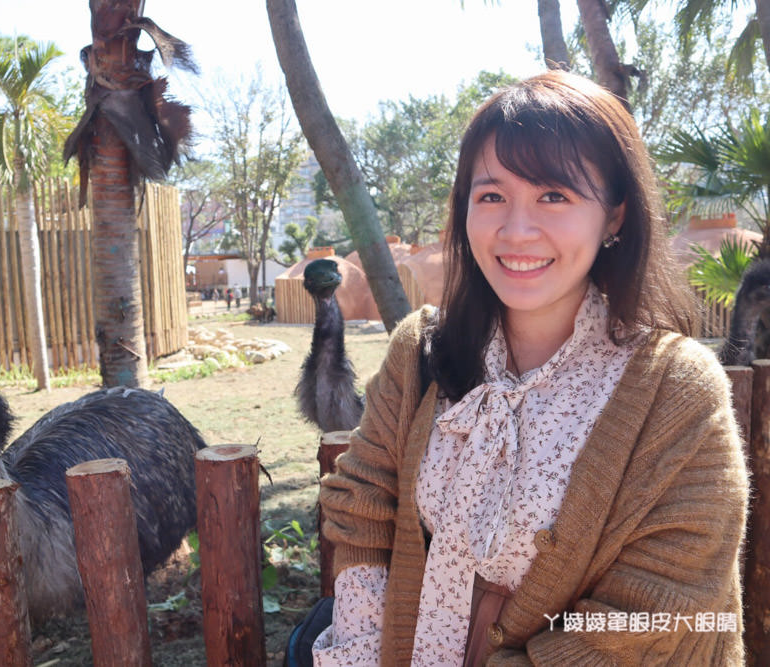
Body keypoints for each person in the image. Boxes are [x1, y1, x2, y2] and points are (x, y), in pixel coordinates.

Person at [312, 71, 749, 666]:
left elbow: (667, 608)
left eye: (554, 195)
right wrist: (362, 653)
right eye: (491, 195)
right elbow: (364, 508)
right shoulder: (422, 352)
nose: (516, 230)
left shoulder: (675, 391)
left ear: (615, 216)